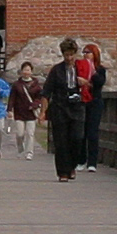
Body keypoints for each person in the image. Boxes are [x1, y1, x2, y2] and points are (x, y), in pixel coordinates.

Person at [42, 40, 85, 181]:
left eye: (71, 55)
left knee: (77, 138)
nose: (69, 58)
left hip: (77, 107)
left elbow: (95, 84)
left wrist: (85, 83)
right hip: (60, 107)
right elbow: (46, 91)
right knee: (61, 141)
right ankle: (63, 172)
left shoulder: (82, 68)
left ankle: (72, 165)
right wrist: (43, 112)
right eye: (66, 55)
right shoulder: (56, 70)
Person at [80, 41, 110, 168]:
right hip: (82, 101)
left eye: (88, 52)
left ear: (95, 54)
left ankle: (92, 162)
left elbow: (99, 83)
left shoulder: (100, 69)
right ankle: (81, 160)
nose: (86, 55)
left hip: (95, 102)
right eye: (84, 52)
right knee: (81, 132)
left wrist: (91, 74)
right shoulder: (80, 67)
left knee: (92, 132)